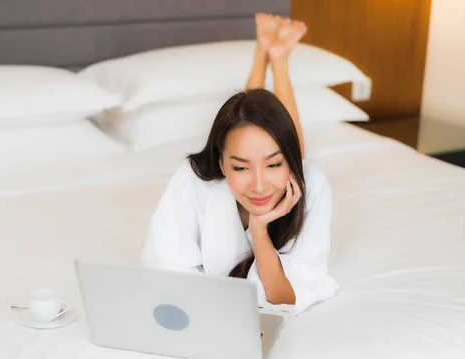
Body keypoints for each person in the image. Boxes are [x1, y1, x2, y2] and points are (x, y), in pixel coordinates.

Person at [140, 14, 339, 315]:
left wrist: (259, 231)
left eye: (274, 165)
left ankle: (277, 60)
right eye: (239, 168)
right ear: (221, 164)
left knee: (268, 137)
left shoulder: (313, 187)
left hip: (285, 162)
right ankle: (266, 55)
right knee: (253, 127)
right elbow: (166, 268)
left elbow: (283, 296)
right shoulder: (194, 179)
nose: (259, 185)